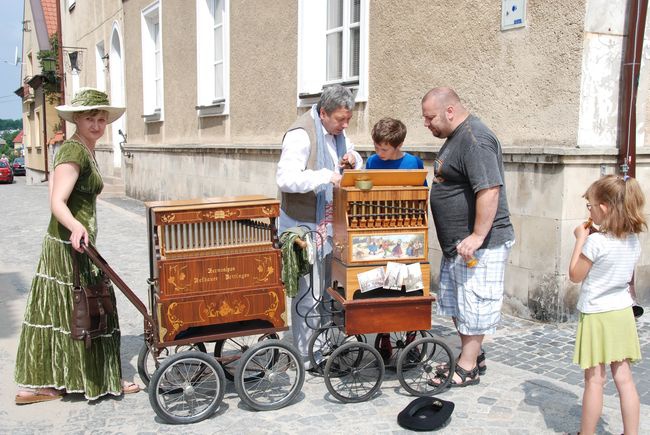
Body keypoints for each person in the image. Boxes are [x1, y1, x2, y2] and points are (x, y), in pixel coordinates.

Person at [14, 88, 140, 404]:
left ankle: (52, 382)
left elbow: (55, 195)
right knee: (93, 307)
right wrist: (76, 226)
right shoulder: (74, 152)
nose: (97, 125)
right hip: (69, 245)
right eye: (90, 119)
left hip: (75, 244)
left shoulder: (83, 148)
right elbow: (56, 201)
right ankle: (94, 379)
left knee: (67, 313)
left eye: (101, 119)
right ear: (77, 121)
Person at [422, 87, 515, 387]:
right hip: (458, 246)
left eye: (430, 117)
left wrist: (477, 235)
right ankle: (473, 354)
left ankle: (467, 367)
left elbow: (489, 188)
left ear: (450, 110)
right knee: (457, 304)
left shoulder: (475, 139)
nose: (427, 124)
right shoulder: (456, 137)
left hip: (480, 246)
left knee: (474, 305)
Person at [276, 85, 363, 372]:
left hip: (330, 225)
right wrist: (325, 176)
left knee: (327, 289)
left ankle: (323, 346)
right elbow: (286, 179)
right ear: (323, 113)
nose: (345, 124)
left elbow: (351, 154)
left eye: (348, 119)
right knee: (308, 292)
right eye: (341, 119)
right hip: (303, 225)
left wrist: (354, 159)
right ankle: (305, 354)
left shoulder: (338, 131)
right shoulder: (301, 135)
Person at [569, 175, 645, 435]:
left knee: (594, 380)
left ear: (603, 208)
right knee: (624, 379)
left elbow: (575, 274)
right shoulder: (633, 240)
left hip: (597, 315)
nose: (588, 210)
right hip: (622, 312)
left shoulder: (595, 242)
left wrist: (580, 238)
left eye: (589, 206)